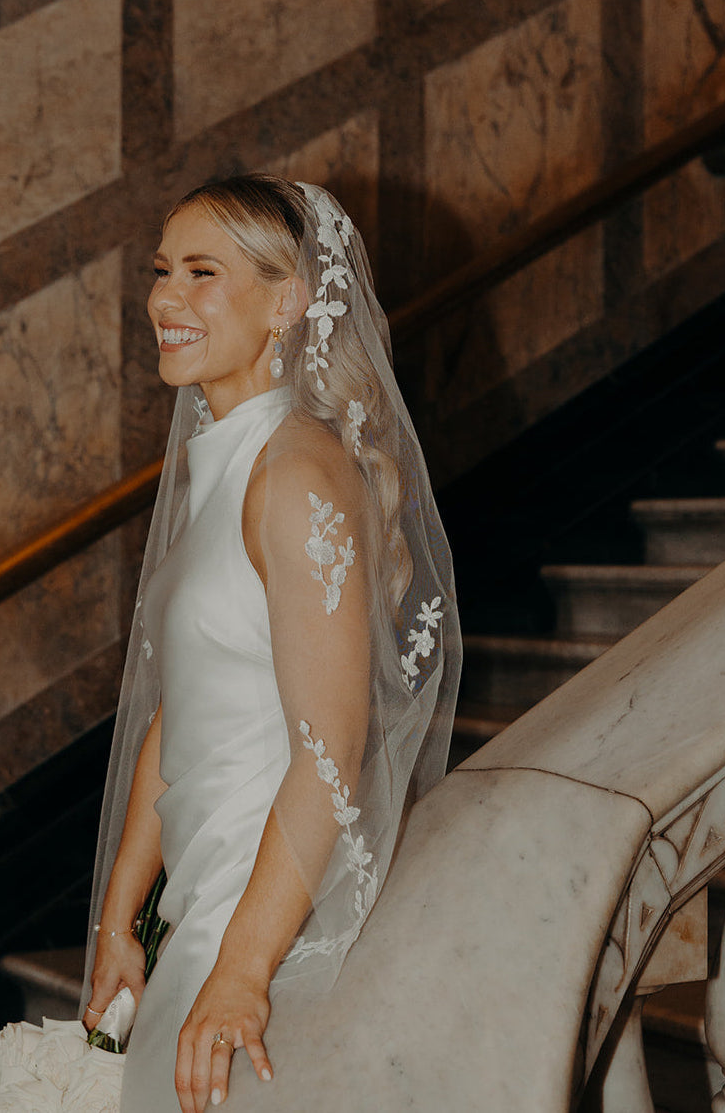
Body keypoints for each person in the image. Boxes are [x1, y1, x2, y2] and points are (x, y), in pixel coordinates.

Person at [80, 175, 460, 1113]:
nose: (166, 298)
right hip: (200, 894)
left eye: (202, 272)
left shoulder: (295, 475)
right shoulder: (225, 458)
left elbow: (330, 748)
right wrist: (119, 912)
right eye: (163, 270)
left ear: (286, 299)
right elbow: (184, 706)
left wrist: (244, 967)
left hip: (259, 908)